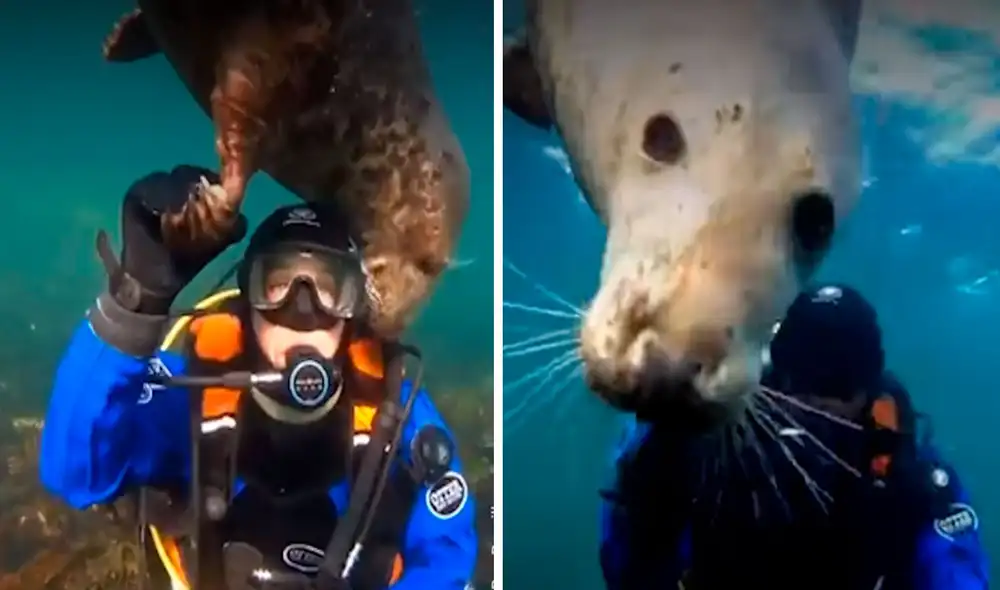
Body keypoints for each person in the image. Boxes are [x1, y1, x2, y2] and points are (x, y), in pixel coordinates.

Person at [39, 166, 477, 590]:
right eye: (277, 285)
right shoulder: (190, 396)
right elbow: (73, 472)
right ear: (248, 303)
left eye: (328, 287)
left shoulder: (400, 419)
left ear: (354, 308)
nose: (302, 312)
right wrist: (133, 300)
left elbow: (446, 555)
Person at [599, 284, 989, 590]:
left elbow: (953, 568)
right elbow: (630, 568)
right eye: (801, 380)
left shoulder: (908, 473)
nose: (817, 404)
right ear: (776, 378)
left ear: (868, 389)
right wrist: (659, 456)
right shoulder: (711, 446)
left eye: (837, 384)